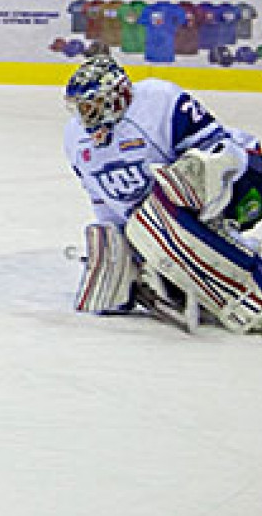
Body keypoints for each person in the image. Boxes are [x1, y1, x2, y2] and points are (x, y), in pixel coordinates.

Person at [64, 55, 262, 333]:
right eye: (80, 108)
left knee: (169, 195)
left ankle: (253, 280)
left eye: (92, 107)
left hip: (245, 178)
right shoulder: (74, 139)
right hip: (173, 220)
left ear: (116, 98)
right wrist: (134, 255)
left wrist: (199, 215)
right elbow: (103, 202)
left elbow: (221, 155)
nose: (85, 116)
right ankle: (212, 264)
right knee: (117, 237)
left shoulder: (160, 100)